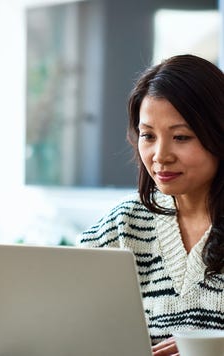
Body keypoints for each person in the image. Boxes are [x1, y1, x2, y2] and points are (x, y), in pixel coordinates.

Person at [78, 54, 224, 356]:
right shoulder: (123, 224)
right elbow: (66, 315)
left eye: (181, 137)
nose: (160, 155)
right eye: (148, 136)